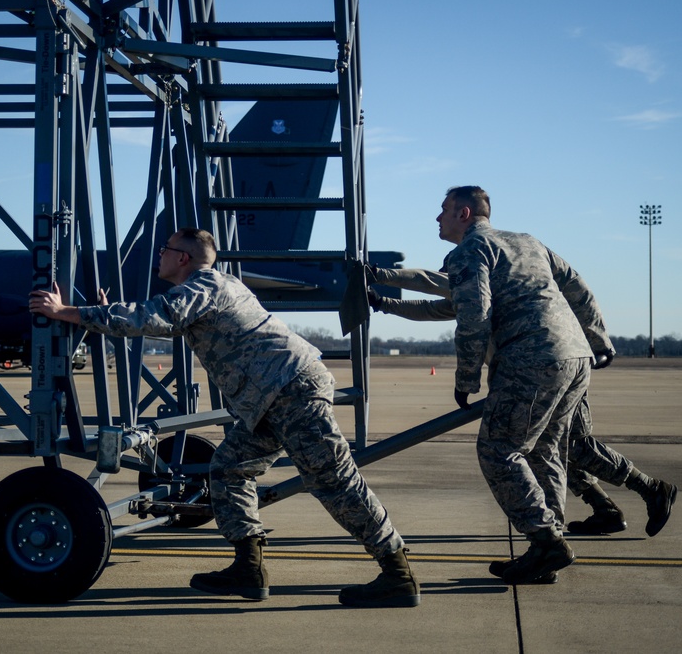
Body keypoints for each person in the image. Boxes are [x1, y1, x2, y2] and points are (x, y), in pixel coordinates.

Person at [29, 227, 419, 608]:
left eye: (165, 249)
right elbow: (164, 321)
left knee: (334, 480)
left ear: (183, 258)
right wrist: (100, 313)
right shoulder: (211, 287)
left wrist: (68, 312)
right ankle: (248, 569)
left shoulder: (205, 287)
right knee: (228, 469)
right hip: (269, 398)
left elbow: (155, 317)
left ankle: (398, 574)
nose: (160, 255)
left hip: (289, 389)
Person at [366, 267, 678, 540]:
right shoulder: (473, 297)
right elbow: (431, 309)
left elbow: (430, 283)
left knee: (575, 446)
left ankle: (651, 488)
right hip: (536, 375)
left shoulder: (482, 281)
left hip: (551, 369)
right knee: (551, 446)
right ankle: (603, 508)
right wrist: (383, 304)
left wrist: (381, 275)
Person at [429, 185, 616, 585]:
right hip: (574, 356)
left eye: (443, 210)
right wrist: (599, 340)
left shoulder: (470, 251)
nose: (437, 218)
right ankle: (548, 547)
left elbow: (473, 316)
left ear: (464, 214)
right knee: (545, 449)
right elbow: (577, 286)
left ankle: (545, 541)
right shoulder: (527, 241)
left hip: (530, 357)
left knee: (498, 451)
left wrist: (466, 377)